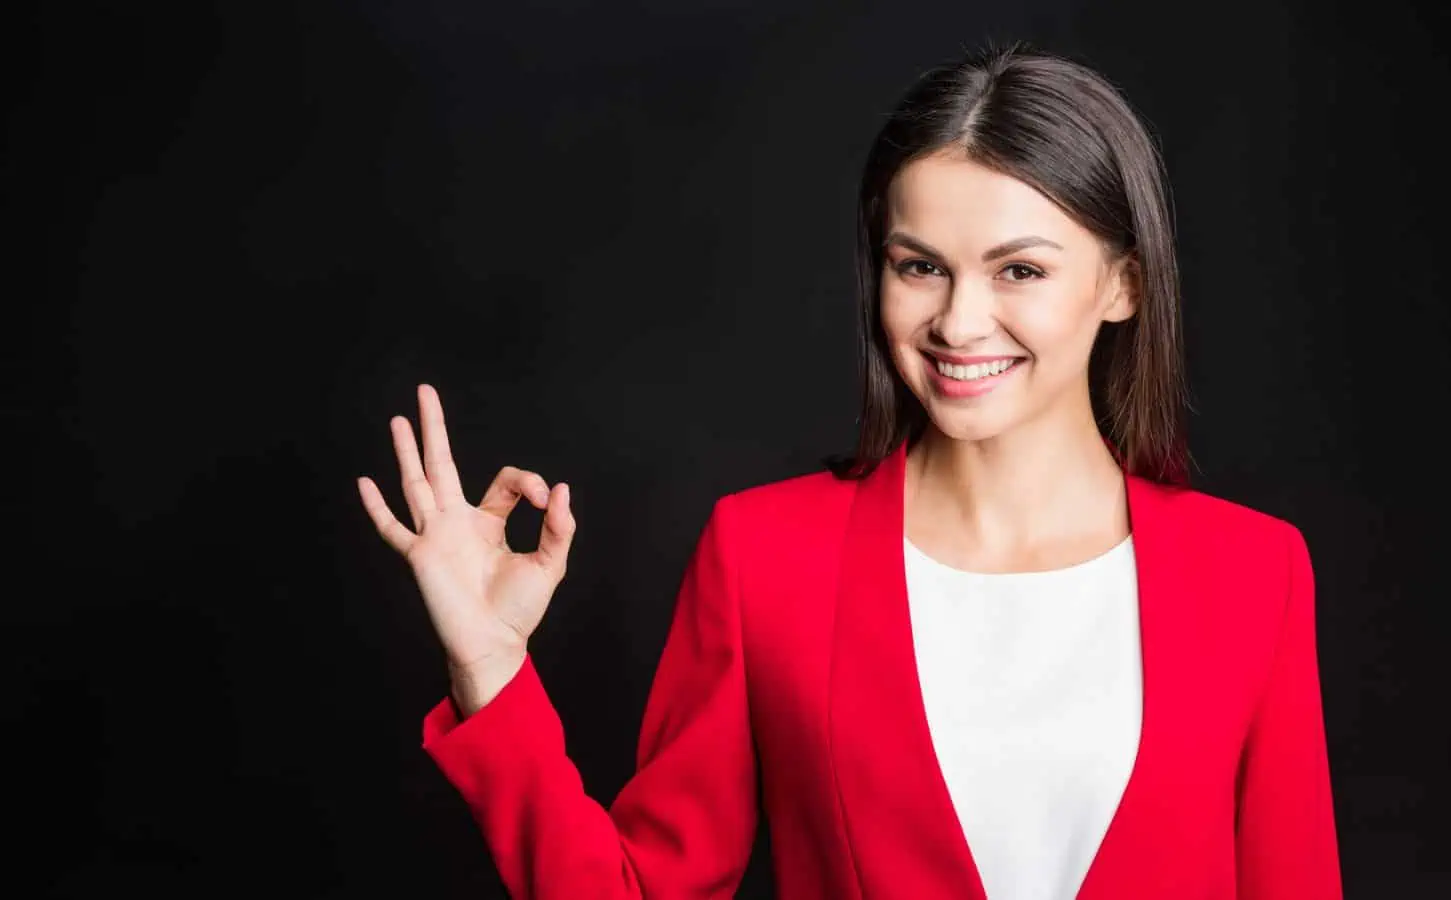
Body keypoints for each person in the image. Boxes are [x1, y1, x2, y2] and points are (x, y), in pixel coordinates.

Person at [356, 42, 1342, 900]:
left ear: (1122, 283)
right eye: (919, 266)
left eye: (1019, 270)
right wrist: (491, 671)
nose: (958, 321)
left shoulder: (1253, 573)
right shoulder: (766, 558)